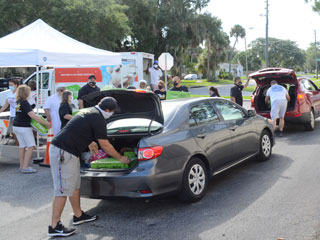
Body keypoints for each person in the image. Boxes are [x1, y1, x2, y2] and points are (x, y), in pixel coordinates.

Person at [48, 97, 130, 237]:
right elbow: (105, 145)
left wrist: (91, 141)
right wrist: (121, 158)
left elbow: (81, 127)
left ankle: (78, 215)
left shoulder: (89, 111)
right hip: (62, 152)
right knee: (62, 190)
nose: (112, 114)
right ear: (108, 110)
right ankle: (54, 226)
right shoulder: (97, 117)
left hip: (70, 152)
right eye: (113, 112)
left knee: (74, 186)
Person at [12, 85, 51, 173]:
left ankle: (22, 166)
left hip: (16, 125)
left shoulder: (18, 101)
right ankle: (25, 167)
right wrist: (46, 124)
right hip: (24, 127)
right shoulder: (25, 102)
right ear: (26, 93)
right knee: (31, 146)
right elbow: (33, 116)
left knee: (22, 146)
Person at [0, 78, 20, 144]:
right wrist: (0, 111)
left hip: (18, 115)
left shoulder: (19, 93)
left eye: (12, 85)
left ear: (16, 85)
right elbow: (6, 104)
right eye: (9, 85)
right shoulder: (9, 93)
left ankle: (20, 145)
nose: (10, 86)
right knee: (12, 131)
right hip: (12, 115)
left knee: (17, 132)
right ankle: (19, 145)